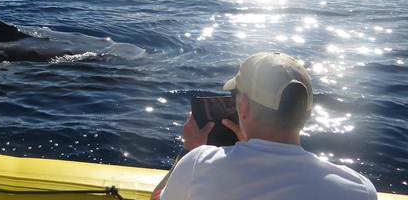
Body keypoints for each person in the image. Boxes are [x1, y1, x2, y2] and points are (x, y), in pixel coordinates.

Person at [151, 52, 377, 200]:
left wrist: (189, 149)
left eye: (235, 95)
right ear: (307, 112)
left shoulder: (198, 163)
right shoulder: (359, 190)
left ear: (245, 105)